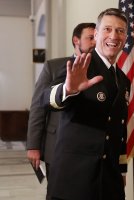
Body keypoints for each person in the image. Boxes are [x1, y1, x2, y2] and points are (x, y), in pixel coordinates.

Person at [41, 8, 130, 200]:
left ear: (125, 37)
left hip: (109, 181)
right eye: (107, 29)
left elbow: (119, 129)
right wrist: (68, 89)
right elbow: (46, 99)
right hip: (74, 181)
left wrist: (122, 171)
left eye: (120, 31)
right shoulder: (79, 65)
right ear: (96, 34)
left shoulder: (123, 79)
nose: (114, 35)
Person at [26, 22, 96, 177]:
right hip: (57, 146)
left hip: (89, 149)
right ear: (76, 40)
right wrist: (33, 146)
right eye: (90, 38)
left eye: (96, 38)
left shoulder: (100, 71)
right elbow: (38, 106)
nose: (94, 42)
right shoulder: (54, 66)